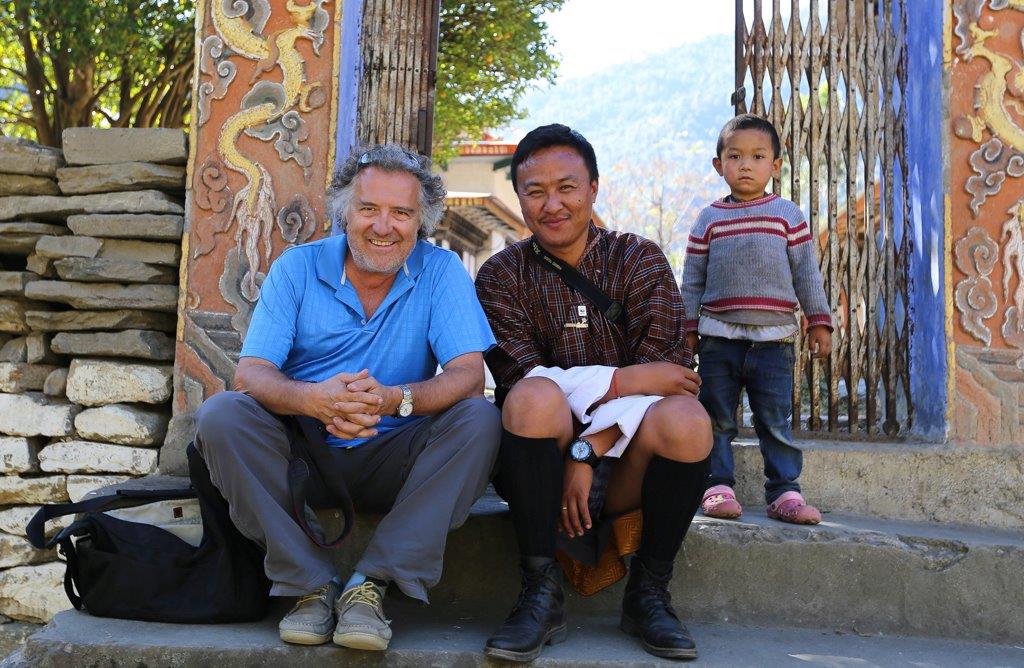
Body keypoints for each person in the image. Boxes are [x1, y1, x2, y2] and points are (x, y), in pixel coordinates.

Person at [192, 144, 500, 651]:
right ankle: (310, 585)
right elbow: (252, 373)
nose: (384, 226)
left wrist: (391, 400)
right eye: (369, 209)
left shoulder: (441, 271)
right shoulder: (297, 268)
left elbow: (468, 375)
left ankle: (370, 587)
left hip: (397, 457)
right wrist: (316, 400)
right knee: (222, 414)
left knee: (480, 420)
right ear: (344, 212)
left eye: (401, 213)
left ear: (420, 221)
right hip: (301, 459)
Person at [475, 124, 712, 662]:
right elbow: (520, 379)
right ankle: (540, 590)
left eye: (567, 187)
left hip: (626, 460)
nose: (552, 204)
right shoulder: (501, 276)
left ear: (594, 188)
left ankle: (648, 592)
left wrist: (591, 448)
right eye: (535, 191)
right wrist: (624, 380)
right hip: (539, 467)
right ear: (520, 197)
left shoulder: (638, 260)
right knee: (534, 400)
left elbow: (672, 377)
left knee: (687, 419)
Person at [681, 113, 833, 525]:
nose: (745, 165)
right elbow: (692, 280)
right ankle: (717, 486)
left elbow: (806, 272)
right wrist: (688, 332)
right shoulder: (708, 220)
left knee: (775, 422)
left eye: (757, 156)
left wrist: (819, 320)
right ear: (719, 165)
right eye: (735, 156)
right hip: (718, 340)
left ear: (775, 165)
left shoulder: (788, 215)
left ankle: (785, 493)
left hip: (775, 342)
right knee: (716, 419)